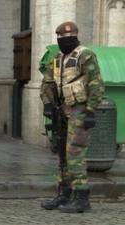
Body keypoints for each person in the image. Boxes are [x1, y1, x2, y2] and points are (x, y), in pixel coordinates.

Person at [40, 21, 104, 213]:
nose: (63, 41)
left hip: (80, 110)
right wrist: (48, 105)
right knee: (61, 154)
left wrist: (91, 110)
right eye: (60, 38)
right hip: (62, 111)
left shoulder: (85, 55)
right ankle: (64, 194)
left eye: (67, 38)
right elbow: (47, 83)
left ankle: (82, 198)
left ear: (75, 36)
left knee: (74, 154)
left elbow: (96, 83)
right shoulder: (57, 58)